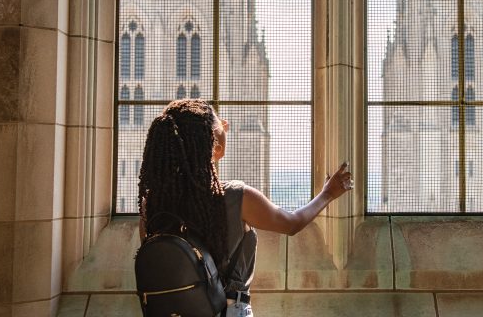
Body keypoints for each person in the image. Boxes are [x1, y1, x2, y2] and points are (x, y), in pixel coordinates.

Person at [138, 99, 353, 317]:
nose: (226, 123)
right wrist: (328, 193)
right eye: (219, 122)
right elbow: (292, 223)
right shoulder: (235, 197)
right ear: (214, 145)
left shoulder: (152, 203)